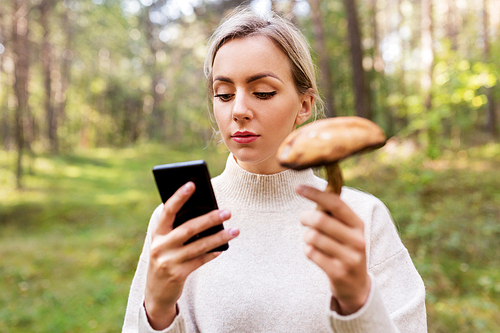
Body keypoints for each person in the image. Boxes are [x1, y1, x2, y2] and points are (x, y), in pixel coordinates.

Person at [122, 7, 427, 333]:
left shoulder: (362, 218)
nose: (238, 110)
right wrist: (157, 310)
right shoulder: (179, 219)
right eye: (223, 94)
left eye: (263, 92)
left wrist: (357, 303)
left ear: (305, 105)